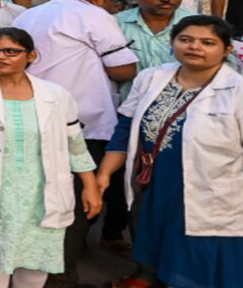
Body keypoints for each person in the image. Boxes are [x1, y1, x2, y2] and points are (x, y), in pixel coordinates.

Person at [0, 28, 101, 288]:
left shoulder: (56, 95)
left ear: (31, 56)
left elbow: (75, 145)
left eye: (11, 51)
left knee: (36, 263)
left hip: (41, 193)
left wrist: (90, 186)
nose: (0, 57)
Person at [97, 15, 243, 288]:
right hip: (153, 184)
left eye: (207, 42)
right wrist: (104, 173)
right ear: (172, 42)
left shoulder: (237, 92)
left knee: (197, 260)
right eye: (185, 39)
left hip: (211, 191)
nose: (194, 47)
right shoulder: (152, 77)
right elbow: (127, 127)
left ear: (227, 50)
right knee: (153, 240)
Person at [12, 0, 138, 287]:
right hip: (82, 123)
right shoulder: (93, 15)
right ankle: (60, 277)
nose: (115, 10)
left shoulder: (30, 15)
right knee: (75, 204)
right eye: (113, 2)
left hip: (30, 115)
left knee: (36, 200)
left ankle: (35, 271)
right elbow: (123, 68)